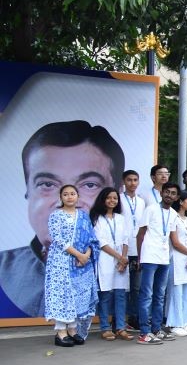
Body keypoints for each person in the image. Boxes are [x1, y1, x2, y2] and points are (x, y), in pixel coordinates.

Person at [1, 120, 125, 318]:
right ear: (28, 193)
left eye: (90, 185)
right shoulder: (3, 269)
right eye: (47, 184)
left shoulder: (113, 260)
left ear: (114, 194)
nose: (68, 198)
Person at [43, 184, 99, 347]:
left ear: (77, 196)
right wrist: (78, 255)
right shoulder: (56, 215)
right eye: (65, 194)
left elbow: (91, 238)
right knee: (63, 295)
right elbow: (58, 239)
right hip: (61, 262)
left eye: (72, 193)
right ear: (61, 197)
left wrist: (86, 255)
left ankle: (73, 329)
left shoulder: (83, 216)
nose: (69, 197)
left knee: (77, 296)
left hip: (81, 264)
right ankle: (61, 331)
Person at [135, 183, 177, 345]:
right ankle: (144, 333)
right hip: (149, 257)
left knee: (160, 296)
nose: (169, 195)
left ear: (176, 197)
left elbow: (171, 237)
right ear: (161, 193)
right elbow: (140, 234)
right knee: (147, 295)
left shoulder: (173, 214)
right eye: (167, 192)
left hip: (164, 258)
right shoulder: (151, 209)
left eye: (173, 193)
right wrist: (140, 257)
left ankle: (156, 329)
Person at [90, 187, 131, 341]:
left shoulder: (120, 218)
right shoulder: (96, 218)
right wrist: (119, 257)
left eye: (115, 198)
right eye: (109, 198)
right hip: (105, 260)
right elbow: (101, 243)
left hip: (121, 261)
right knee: (105, 294)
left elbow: (125, 240)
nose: (112, 200)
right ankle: (105, 328)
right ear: (103, 199)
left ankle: (120, 327)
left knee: (120, 295)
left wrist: (124, 258)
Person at [167, 189, 187, 337]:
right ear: (180, 202)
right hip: (178, 259)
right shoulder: (173, 218)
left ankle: (186, 321)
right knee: (177, 292)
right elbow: (175, 242)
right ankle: (175, 323)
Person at [119, 169, 148, 330]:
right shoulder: (119, 200)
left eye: (135, 180)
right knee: (121, 287)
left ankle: (134, 317)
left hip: (137, 249)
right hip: (122, 248)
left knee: (137, 287)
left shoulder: (142, 201)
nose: (132, 183)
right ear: (124, 182)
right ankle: (118, 319)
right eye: (129, 180)